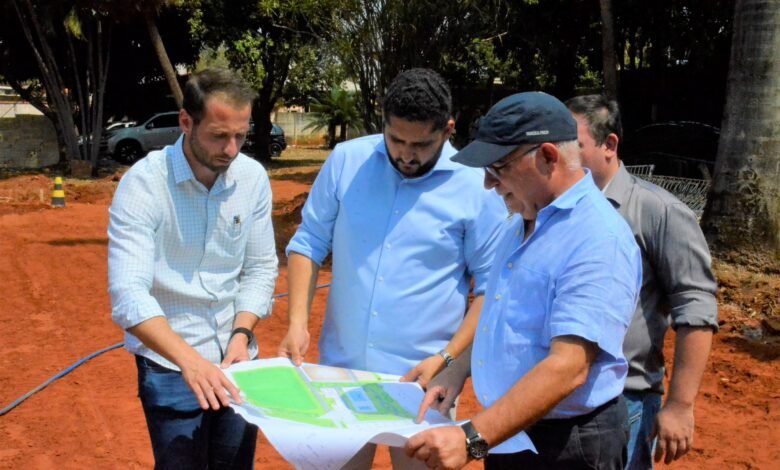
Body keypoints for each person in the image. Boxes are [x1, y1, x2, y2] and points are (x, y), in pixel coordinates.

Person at [277, 68, 506, 468]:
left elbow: (490, 287)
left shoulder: (475, 186)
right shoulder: (348, 161)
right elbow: (309, 242)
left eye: (421, 144)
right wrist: (297, 323)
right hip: (340, 377)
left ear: (448, 130)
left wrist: (448, 360)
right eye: (395, 139)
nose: (405, 153)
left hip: (423, 386)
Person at [406, 91, 642, 470]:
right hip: (506, 432)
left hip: (568, 446)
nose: (488, 184)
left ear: (548, 157)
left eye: (497, 168)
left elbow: (569, 366)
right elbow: (503, 320)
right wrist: (455, 370)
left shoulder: (598, 238)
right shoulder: (518, 225)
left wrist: (470, 438)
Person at [108, 68, 278, 468]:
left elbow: (260, 269)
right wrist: (189, 361)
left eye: (241, 135)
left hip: (236, 364)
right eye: (219, 135)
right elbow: (128, 295)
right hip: (169, 366)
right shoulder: (144, 185)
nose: (232, 149)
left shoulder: (252, 179)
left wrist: (241, 335)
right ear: (186, 122)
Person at [566, 95, 718, 469]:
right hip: (554, 402)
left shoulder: (658, 212)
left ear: (610, 145)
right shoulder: (556, 212)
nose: (561, 158)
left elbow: (695, 304)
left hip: (625, 401)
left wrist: (681, 405)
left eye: (575, 147)